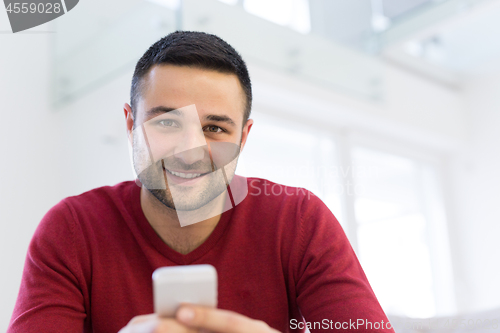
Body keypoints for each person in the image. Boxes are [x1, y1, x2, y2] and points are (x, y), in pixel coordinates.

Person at [7, 31, 394, 333]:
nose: (190, 152)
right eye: (167, 122)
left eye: (214, 128)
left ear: (243, 137)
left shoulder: (299, 220)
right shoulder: (72, 229)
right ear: (130, 124)